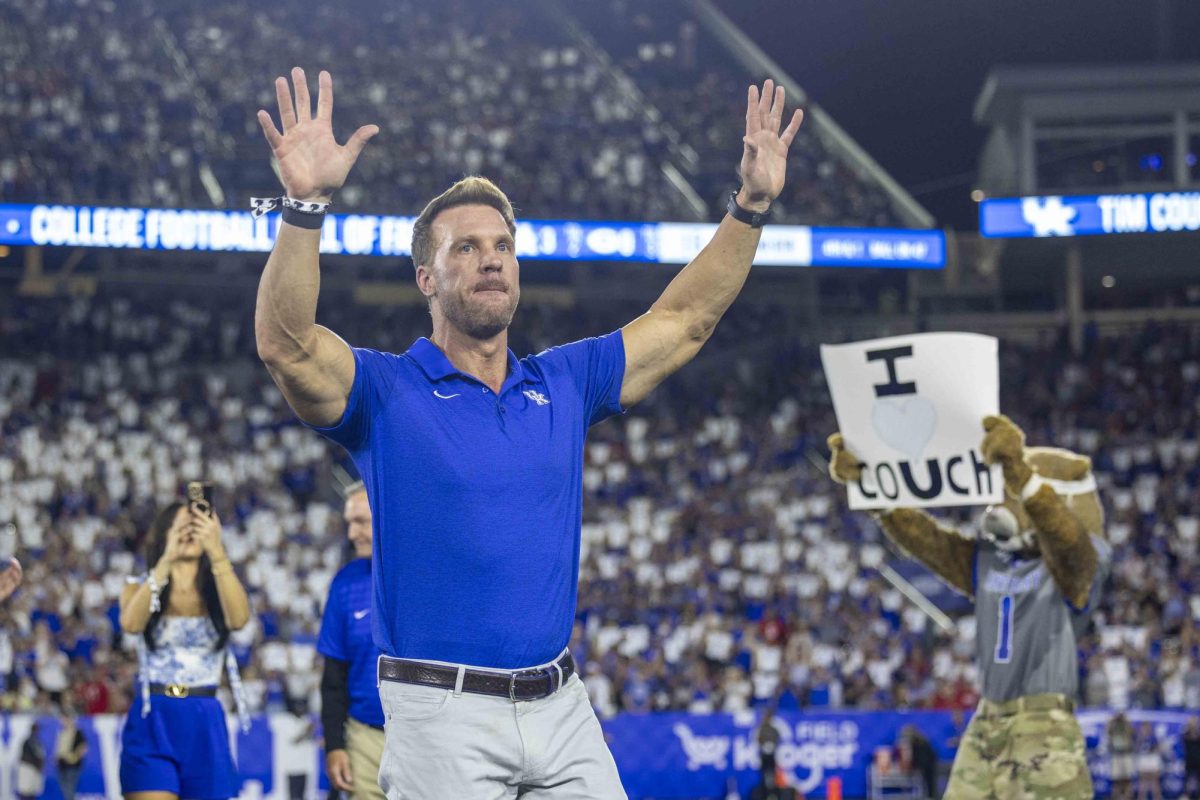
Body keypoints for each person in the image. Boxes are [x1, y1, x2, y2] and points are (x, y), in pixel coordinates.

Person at [254, 66, 803, 799]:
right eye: (466, 247)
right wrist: (304, 207)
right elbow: (286, 345)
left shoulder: (564, 382)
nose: (491, 258)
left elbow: (684, 320)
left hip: (562, 706)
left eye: (502, 246)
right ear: (426, 277)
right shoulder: (385, 390)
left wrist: (751, 208)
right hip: (439, 715)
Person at [829, 415, 1111, 799]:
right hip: (988, 715)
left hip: (1044, 720)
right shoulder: (991, 558)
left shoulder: (1083, 559)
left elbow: (1069, 544)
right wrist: (871, 487)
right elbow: (931, 542)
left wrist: (1023, 478)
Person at [117, 499, 252, 800]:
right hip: (153, 718)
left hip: (204, 719)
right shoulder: (138, 586)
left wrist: (217, 550)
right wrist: (165, 562)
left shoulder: (220, 589)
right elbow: (131, 623)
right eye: (182, 527)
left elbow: (239, 619)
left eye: (197, 527)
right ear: (164, 534)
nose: (190, 534)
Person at [318, 483, 385, 800]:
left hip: (428, 737)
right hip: (366, 738)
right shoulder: (345, 583)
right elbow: (333, 676)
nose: (352, 533)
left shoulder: (428, 579)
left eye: (361, 521)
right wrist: (334, 745)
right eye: (349, 522)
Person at [55, 704, 88, 800]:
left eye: (64, 718)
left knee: (69, 789)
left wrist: (74, 757)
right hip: (62, 765)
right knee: (65, 789)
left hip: (72, 766)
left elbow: (83, 747)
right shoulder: (62, 732)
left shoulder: (77, 732)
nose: (62, 721)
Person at [1108, 711, 1135, 800]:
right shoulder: (1113, 727)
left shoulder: (1126, 727)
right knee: (1116, 779)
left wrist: (1126, 720)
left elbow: (1131, 732)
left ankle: (1127, 797)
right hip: (1116, 754)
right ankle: (1116, 797)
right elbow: (1108, 730)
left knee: (1127, 779)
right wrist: (1113, 720)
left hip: (1126, 754)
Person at [1135, 720, 1164, 800]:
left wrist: (1153, 749)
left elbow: (1158, 748)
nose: (1145, 729)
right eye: (1143, 727)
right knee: (1143, 781)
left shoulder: (1153, 737)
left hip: (1152, 759)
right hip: (1144, 759)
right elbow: (1137, 748)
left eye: (1147, 727)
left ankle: (1157, 797)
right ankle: (1141, 798)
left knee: (1155, 781)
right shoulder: (1139, 737)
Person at [17, 720, 45, 800]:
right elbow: (26, 756)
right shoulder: (29, 741)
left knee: (32, 791)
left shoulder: (38, 741)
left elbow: (40, 756)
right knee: (26, 792)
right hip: (28, 767)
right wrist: (37, 764)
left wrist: (39, 765)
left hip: (34, 769)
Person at [1184, 715, 1200, 799]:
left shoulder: (1198, 732)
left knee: (1198, 779)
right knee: (1187, 779)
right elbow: (1188, 738)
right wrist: (1190, 727)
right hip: (1189, 759)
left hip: (1198, 759)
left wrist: (1195, 728)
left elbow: (1196, 737)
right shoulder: (1186, 732)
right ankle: (1187, 795)